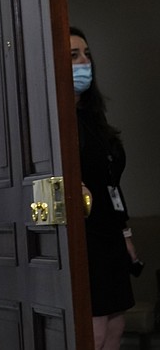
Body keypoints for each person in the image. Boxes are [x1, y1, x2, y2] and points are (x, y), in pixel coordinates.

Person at [71, 26, 140, 350]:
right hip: (84, 235)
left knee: (116, 325)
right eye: (73, 56)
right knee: (95, 330)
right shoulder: (56, 118)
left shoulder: (93, 117)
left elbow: (111, 181)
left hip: (110, 232)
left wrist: (126, 236)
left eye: (86, 54)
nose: (84, 61)